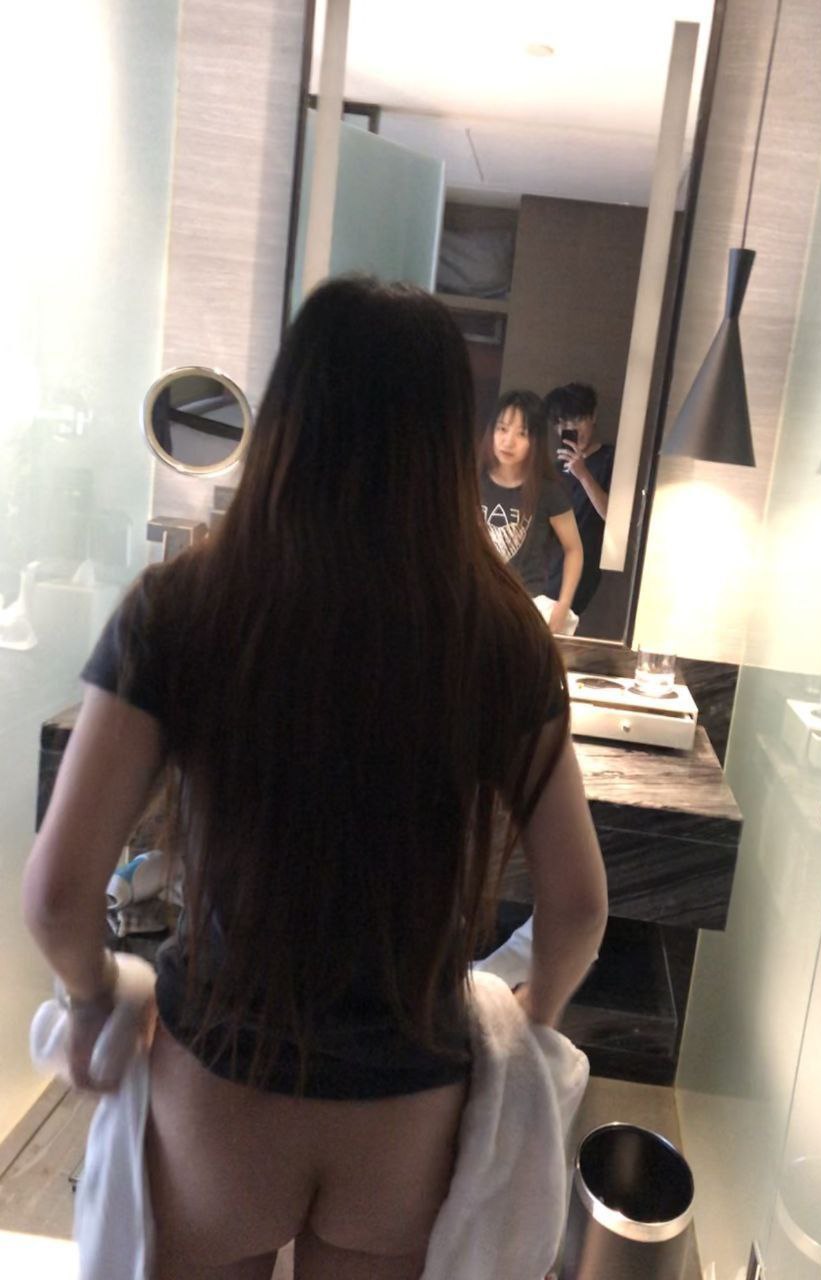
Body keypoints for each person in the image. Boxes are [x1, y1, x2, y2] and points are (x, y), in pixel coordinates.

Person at [22, 277, 608, 1280]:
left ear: (289, 411)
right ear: (449, 439)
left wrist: (90, 1001)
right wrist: (527, 1029)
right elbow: (581, 904)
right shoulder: (502, 636)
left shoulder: (183, 606)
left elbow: (56, 895)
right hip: (407, 1108)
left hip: (220, 1089)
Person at [478, 390, 583, 635]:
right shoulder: (471, 481)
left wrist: (563, 604)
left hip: (523, 606)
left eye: (521, 433)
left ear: (535, 440)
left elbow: (574, 549)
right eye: (502, 429)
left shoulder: (548, 491)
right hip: (474, 599)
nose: (508, 441)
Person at [543, 383, 614, 617]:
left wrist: (582, 473)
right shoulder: (554, 470)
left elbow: (612, 517)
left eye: (577, 420)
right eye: (562, 424)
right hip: (546, 570)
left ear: (593, 416)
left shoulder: (610, 459)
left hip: (583, 568)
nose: (571, 429)